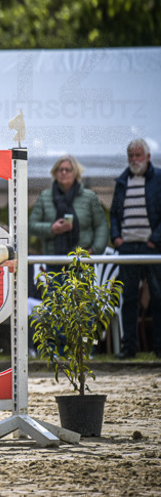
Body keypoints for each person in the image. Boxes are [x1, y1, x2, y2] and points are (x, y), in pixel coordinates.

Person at [110, 139, 161, 359]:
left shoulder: (159, 178)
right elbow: (114, 213)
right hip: (127, 247)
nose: (134, 159)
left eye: (138, 155)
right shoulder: (122, 180)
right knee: (128, 297)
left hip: (152, 248)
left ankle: (159, 347)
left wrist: (155, 239)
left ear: (148, 157)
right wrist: (116, 237)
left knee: (158, 296)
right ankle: (128, 347)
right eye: (130, 155)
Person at [30, 154, 108, 257]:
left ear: (75, 173)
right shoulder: (45, 196)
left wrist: (95, 250)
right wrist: (52, 229)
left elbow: (101, 225)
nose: (63, 173)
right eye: (60, 170)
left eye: (68, 170)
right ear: (55, 173)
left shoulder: (89, 197)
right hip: (53, 259)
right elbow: (32, 225)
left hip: (82, 259)